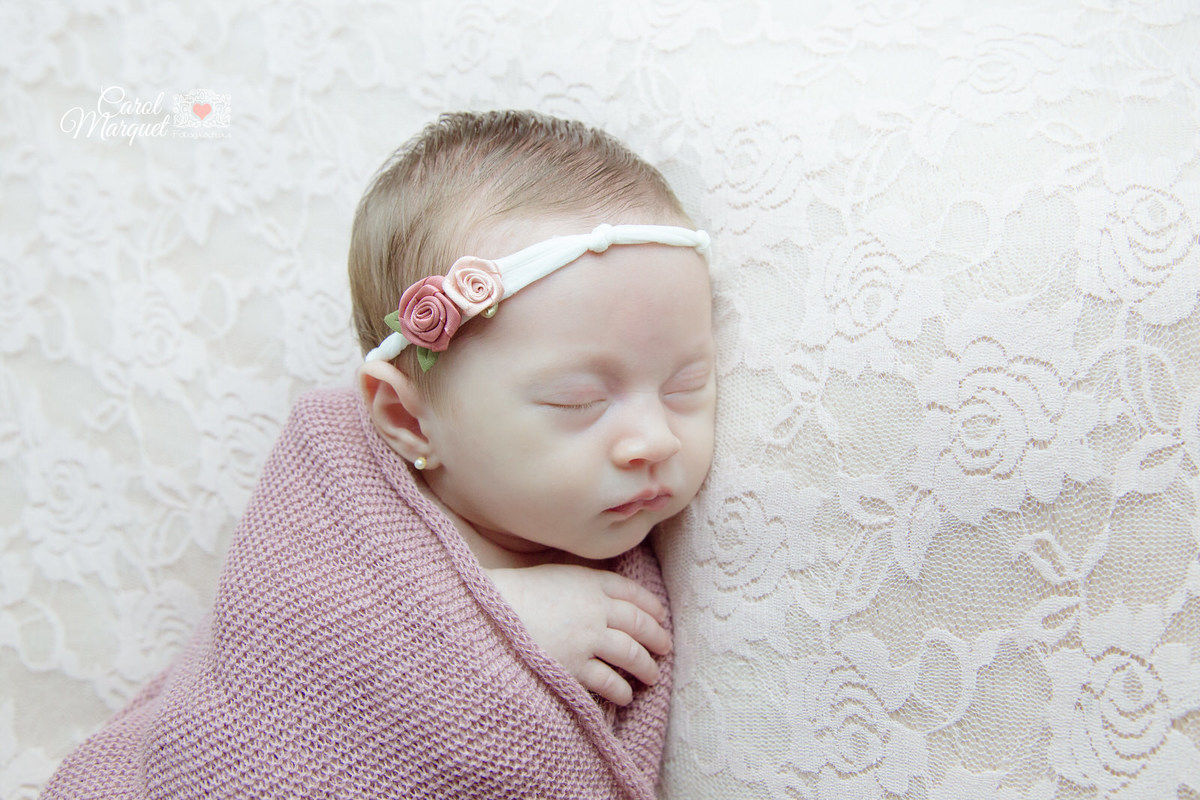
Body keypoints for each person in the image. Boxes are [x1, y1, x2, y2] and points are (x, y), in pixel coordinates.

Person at [41, 110, 716, 800]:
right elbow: (287, 637)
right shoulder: (331, 499)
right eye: (578, 401)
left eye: (686, 385)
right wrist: (497, 625)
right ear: (407, 418)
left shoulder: (634, 548)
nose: (656, 438)